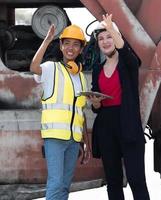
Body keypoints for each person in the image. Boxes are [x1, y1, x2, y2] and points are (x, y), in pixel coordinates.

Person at [88, 13, 150, 200]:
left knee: (136, 180)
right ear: (97, 43)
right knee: (113, 182)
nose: (105, 41)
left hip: (128, 126)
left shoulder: (129, 63)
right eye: (101, 38)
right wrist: (96, 103)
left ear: (116, 39)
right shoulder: (98, 69)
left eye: (109, 37)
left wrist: (111, 27)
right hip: (106, 127)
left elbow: (125, 51)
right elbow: (96, 106)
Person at [30, 24, 91, 200]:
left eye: (76, 44)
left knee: (65, 184)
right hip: (55, 138)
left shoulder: (80, 77)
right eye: (67, 43)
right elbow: (34, 67)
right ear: (61, 46)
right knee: (56, 183)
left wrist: (85, 142)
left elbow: (81, 112)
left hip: (73, 140)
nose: (71, 48)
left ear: (81, 49)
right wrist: (47, 40)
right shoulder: (51, 68)